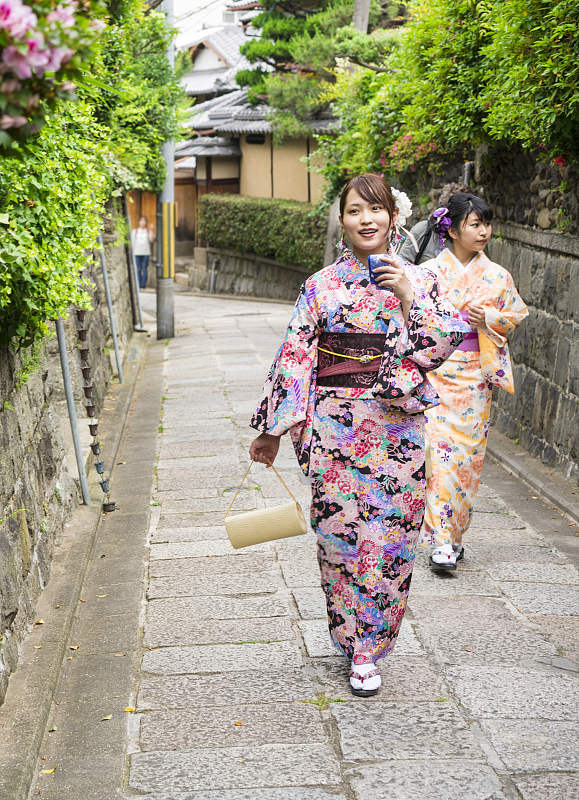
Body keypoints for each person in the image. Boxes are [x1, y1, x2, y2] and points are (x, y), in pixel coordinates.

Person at [249, 173, 468, 697]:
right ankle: (357, 646)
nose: (366, 219)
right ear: (342, 220)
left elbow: (445, 341)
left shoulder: (421, 280)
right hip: (334, 430)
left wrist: (410, 296)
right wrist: (276, 429)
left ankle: (371, 642)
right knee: (342, 541)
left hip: (396, 432)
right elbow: (297, 354)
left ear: (394, 217)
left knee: (391, 541)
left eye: (376, 209)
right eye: (354, 211)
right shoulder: (320, 285)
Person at [422, 193, 528, 571]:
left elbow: (516, 315)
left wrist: (491, 319)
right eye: (475, 224)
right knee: (438, 457)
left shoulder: (498, 275)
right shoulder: (430, 273)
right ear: (451, 229)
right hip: (435, 374)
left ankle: (455, 533)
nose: (484, 231)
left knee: (467, 459)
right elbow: (415, 320)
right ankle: (441, 541)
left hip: (474, 381)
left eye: (486, 223)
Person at [130, 216, 154, 289]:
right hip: (137, 253)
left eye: (144, 221)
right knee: (138, 269)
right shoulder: (135, 231)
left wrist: (152, 230)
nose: (142, 222)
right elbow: (132, 242)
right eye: (141, 221)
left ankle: (143, 285)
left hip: (146, 253)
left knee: (144, 269)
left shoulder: (148, 231)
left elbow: (152, 240)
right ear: (139, 222)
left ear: (146, 223)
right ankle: (139, 284)